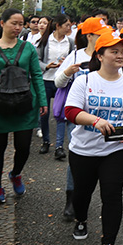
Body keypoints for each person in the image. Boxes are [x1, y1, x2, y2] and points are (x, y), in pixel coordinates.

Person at [64, 30, 123, 245]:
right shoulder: (85, 81)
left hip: (116, 150)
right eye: (114, 51)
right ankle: (81, 220)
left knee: (112, 194)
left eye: (122, 52)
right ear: (100, 55)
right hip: (84, 150)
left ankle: (108, 243)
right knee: (82, 193)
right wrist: (95, 121)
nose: (120, 56)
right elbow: (71, 111)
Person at [0, 8, 47, 204]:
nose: (18, 27)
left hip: (25, 102)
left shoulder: (28, 48)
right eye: (13, 23)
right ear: (2, 23)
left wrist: (42, 101)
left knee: (23, 147)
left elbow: (37, 75)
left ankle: (15, 173)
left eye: (20, 24)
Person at [54, 17, 111, 218]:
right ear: (89, 36)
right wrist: (67, 72)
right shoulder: (75, 56)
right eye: (100, 34)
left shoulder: (107, 55)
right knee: (77, 157)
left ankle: (105, 200)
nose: (104, 37)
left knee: (107, 158)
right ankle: (72, 198)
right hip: (78, 116)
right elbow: (58, 83)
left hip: (106, 115)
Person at [36, 13, 74, 154]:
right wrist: (46, 66)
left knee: (61, 114)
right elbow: (37, 60)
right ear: (58, 26)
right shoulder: (45, 41)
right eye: (67, 25)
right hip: (46, 80)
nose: (69, 28)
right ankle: (46, 141)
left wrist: (66, 64)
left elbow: (73, 59)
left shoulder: (70, 42)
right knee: (44, 112)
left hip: (62, 82)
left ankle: (59, 146)